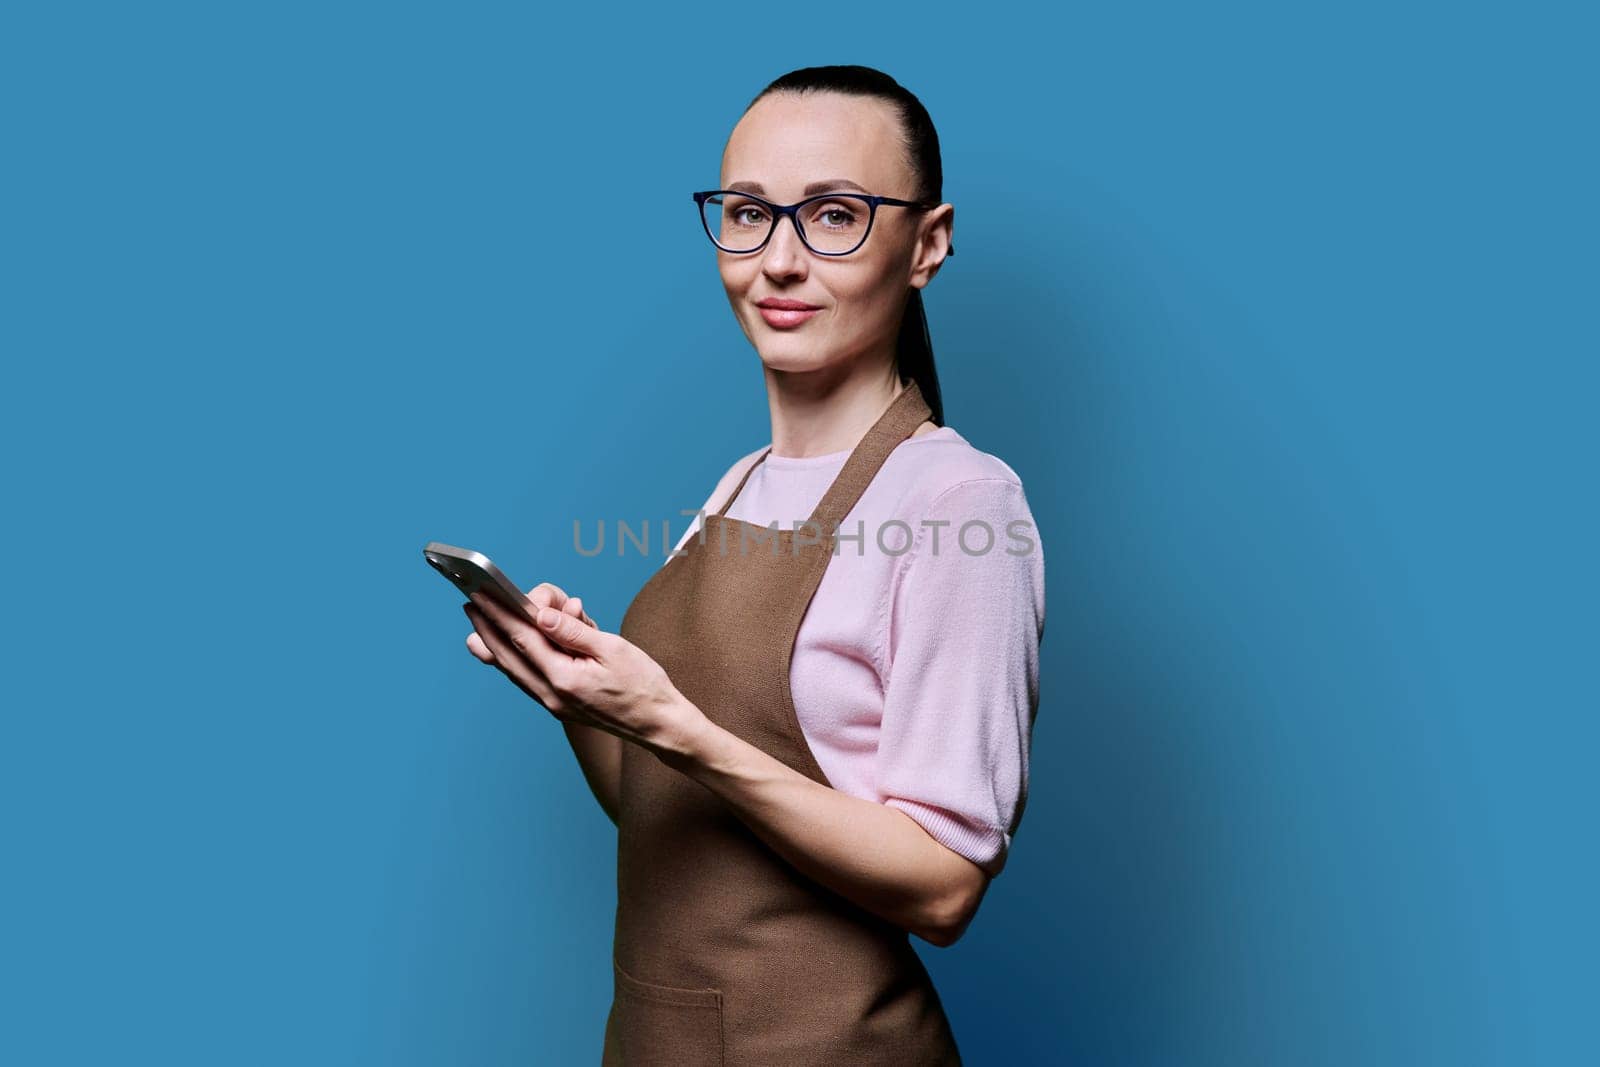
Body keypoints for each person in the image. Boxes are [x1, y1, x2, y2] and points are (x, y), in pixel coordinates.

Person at [461, 64, 1045, 1065]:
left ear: (927, 244)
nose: (776, 259)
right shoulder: (740, 482)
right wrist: (578, 700)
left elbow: (945, 886)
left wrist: (678, 725)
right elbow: (669, 807)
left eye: (833, 215)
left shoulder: (958, 505)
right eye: (746, 212)